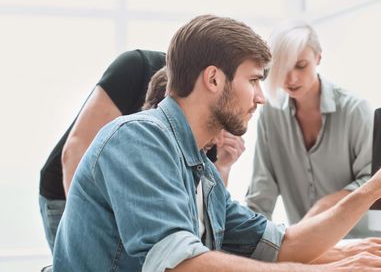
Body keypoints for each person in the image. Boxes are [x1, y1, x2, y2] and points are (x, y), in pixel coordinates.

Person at [52, 14, 381, 272]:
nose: (262, 97)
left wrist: (372, 189)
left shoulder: (202, 171)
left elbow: (284, 245)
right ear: (214, 79)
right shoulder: (138, 140)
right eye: (253, 80)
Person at [39, 50, 243, 252]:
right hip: (70, 192)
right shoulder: (136, 68)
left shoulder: (213, 114)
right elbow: (76, 149)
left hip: (133, 198)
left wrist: (223, 166)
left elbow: (203, 206)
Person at [246, 21, 381, 244]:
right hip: (317, 247)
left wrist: (325, 205)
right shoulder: (270, 116)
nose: (291, 78)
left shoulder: (355, 110)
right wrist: (251, 246)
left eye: (301, 66)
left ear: (318, 58)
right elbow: (261, 194)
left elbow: (376, 179)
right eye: (282, 68)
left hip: (377, 242)